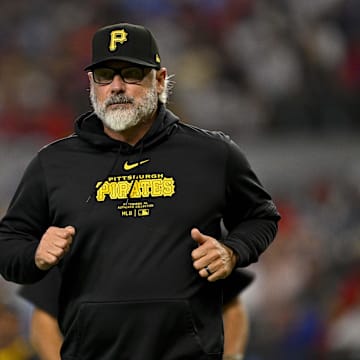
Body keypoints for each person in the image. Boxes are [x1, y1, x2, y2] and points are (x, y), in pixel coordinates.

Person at [0, 22, 280, 359]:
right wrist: (35, 255)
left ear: (160, 80)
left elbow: (261, 217)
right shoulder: (53, 163)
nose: (117, 87)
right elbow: (8, 244)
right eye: (105, 76)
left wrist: (232, 251)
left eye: (131, 73)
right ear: (92, 84)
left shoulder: (213, 154)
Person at [18, 268, 254, 360]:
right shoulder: (75, 220)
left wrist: (231, 357)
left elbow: (232, 307)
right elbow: (43, 319)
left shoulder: (191, 220)